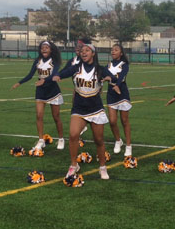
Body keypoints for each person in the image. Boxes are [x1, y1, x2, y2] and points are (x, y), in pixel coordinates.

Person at [52, 38, 114, 179]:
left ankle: (102, 167)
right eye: (82, 51)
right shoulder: (76, 67)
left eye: (87, 50)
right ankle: (74, 165)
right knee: (73, 135)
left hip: (96, 109)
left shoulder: (100, 69)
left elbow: (111, 77)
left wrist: (110, 79)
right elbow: (64, 72)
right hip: (79, 108)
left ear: (93, 53)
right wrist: (57, 76)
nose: (83, 52)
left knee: (98, 140)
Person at [12, 41, 65, 150]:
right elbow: (30, 75)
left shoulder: (54, 61)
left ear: (51, 49)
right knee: (39, 115)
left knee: (56, 117)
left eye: (46, 47)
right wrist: (19, 82)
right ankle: (41, 140)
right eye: (42, 48)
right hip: (40, 91)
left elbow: (55, 74)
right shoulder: (37, 61)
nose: (44, 49)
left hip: (53, 91)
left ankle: (61, 139)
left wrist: (44, 80)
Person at [106, 43, 133, 157]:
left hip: (122, 94)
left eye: (116, 50)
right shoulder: (108, 65)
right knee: (112, 121)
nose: (113, 51)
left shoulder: (124, 65)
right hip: (111, 94)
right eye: (112, 50)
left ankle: (128, 145)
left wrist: (115, 83)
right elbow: (103, 76)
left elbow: (121, 77)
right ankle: (118, 140)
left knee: (124, 121)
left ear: (121, 53)